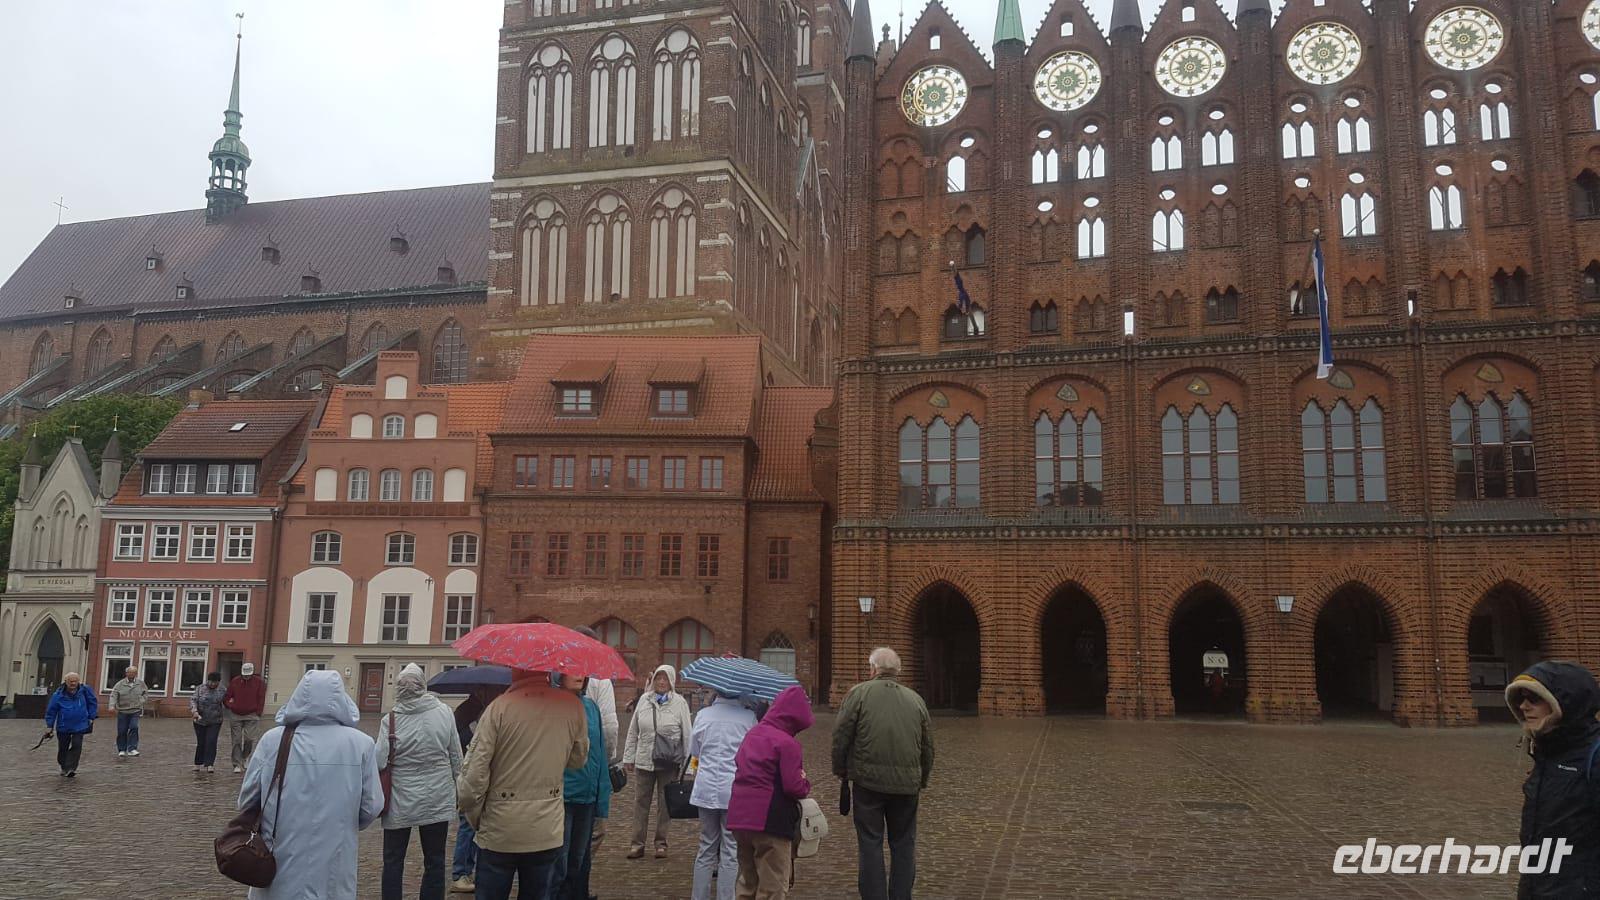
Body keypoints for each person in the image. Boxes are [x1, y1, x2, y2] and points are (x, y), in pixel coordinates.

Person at [237, 669, 383, 900]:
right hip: (335, 856)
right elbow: (371, 806)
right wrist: (343, 823)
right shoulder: (361, 744)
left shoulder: (273, 740)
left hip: (278, 856)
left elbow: (247, 799)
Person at [457, 669, 588, 899]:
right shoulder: (572, 706)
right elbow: (577, 760)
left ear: (516, 670)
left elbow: (473, 779)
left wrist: (476, 817)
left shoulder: (498, 708)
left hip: (500, 827)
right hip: (546, 827)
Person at [832, 648, 934, 900]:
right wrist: (921, 778)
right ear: (898, 671)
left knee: (870, 842)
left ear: (873, 669)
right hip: (907, 785)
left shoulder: (859, 694)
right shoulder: (915, 700)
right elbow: (927, 746)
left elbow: (841, 735)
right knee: (904, 843)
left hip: (868, 783)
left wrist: (840, 768)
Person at [1506, 661, 1600, 899]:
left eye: (1534, 698)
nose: (1524, 706)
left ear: (1566, 702)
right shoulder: (1546, 752)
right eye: (1521, 698)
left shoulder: (1594, 756)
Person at [378, 663, 465, 900]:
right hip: (437, 794)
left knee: (393, 859)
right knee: (435, 859)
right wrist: (461, 790)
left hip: (400, 797)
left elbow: (380, 760)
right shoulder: (444, 712)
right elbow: (456, 755)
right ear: (422, 685)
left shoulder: (390, 719)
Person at [727, 685, 813, 900]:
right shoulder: (787, 743)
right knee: (772, 887)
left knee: (747, 885)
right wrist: (805, 782)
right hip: (770, 820)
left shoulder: (752, 734)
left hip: (740, 817)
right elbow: (794, 786)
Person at [688, 691, 757, 900]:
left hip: (706, 787)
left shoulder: (703, 715)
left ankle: (699, 896)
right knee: (730, 849)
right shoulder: (748, 718)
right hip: (733, 789)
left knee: (706, 846)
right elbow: (752, 754)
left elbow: (694, 751)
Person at [622, 664, 694, 859]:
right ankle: (637, 844)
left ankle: (661, 843)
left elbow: (687, 735)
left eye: (665, 679)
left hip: (668, 762)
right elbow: (633, 731)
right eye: (658, 678)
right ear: (653, 681)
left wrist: (688, 766)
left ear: (671, 682)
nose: (661, 682)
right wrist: (628, 757)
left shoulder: (679, 703)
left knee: (665, 804)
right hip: (644, 759)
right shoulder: (644, 700)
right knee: (640, 803)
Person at [554, 673, 611, 900]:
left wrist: (602, 798)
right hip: (563, 796)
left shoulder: (591, 707)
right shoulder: (553, 706)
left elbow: (600, 753)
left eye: (582, 671)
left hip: (587, 797)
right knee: (560, 860)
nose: (578, 675)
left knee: (579, 860)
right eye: (572, 670)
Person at [451, 686, 496, 894]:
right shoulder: (466, 710)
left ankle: (474, 869)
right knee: (467, 824)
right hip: (469, 773)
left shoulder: (490, 709)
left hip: (485, 774)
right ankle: (460, 872)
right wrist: (474, 730)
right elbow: (457, 741)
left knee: (480, 825)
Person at [44, 672, 97, 777]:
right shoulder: (58, 695)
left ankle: (71, 768)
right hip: (63, 726)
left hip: (80, 724)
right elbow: (51, 711)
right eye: (70, 681)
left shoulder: (85, 691)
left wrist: (91, 717)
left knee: (77, 745)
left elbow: (92, 703)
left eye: (75, 681)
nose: (73, 683)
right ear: (65, 682)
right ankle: (63, 766)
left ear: (78, 681)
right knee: (63, 747)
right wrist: (50, 726)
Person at [224, 661, 266, 773]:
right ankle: (237, 764)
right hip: (236, 714)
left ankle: (245, 756)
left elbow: (261, 697)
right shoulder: (235, 681)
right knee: (236, 740)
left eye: (248, 675)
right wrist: (230, 706)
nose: (246, 676)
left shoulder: (259, 682)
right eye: (244, 674)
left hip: (252, 714)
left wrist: (258, 712)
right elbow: (227, 696)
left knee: (249, 738)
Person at [189, 670, 227, 772]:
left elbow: (227, 701)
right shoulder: (200, 688)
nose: (213, 684)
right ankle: (198, 763)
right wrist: (194, 711)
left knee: (211, 741)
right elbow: (193, 700)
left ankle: (209, 764)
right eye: (211, 682)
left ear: (219, 682)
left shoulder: (222, 690)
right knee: (201, 742)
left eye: (215, 682)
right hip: (200, 720)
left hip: (215, 720)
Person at [110, 665, 147, 757]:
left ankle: (132, 748)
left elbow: (145, 693)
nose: (131, 674)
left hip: (135, 710)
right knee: (122, 730)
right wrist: (112, 706)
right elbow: (114, 695)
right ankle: (122, 749)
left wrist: (141, 701)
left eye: (134, 673)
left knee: (134, 727)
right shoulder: (120, 684)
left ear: (136, 674)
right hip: (123, 711)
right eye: (130, 672)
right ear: (126, 673)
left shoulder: (141, 683)